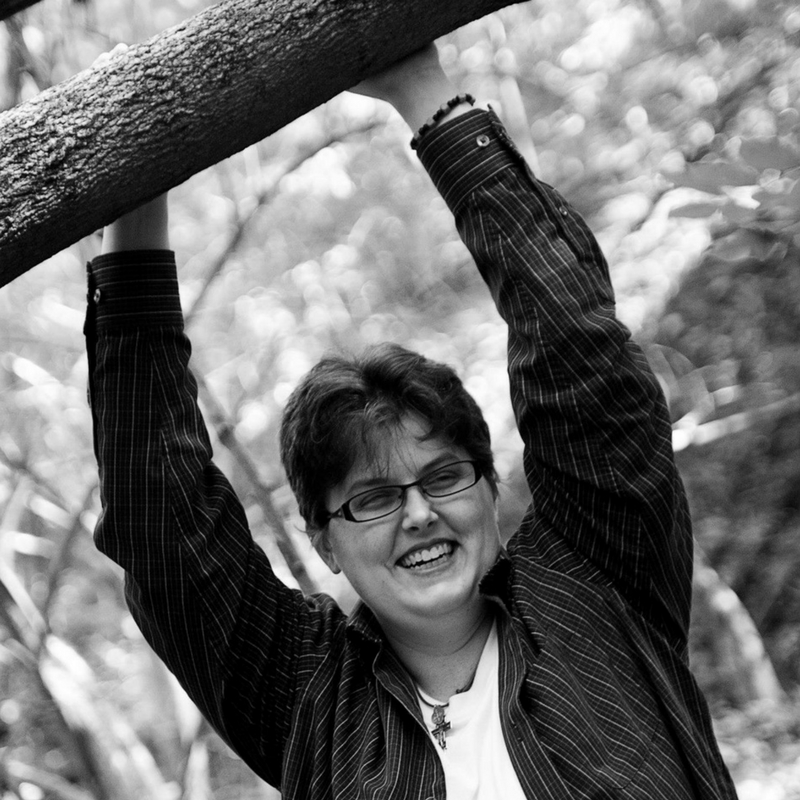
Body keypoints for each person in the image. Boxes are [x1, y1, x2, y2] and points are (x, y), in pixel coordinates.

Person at [85, 43, 738, 799]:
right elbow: (163, 533)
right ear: (326, 543)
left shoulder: (597, 579)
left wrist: (417, 84)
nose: (421, 514)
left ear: (491, 489)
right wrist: (135, 190)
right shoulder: (309, 699)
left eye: (443, 476)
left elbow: (579, 351)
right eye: (373, 498)